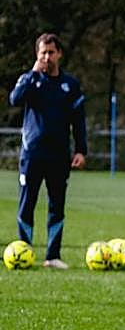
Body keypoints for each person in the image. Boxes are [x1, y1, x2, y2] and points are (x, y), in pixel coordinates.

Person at [8, 33, 87, 269]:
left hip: (59, 156)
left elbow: (79, 121)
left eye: (51, 52)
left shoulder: (70, 86)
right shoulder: (30, 81)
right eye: (43, 52)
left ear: (59, 54)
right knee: (27, 205)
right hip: (32, 155)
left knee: (56, 206)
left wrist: (81, 150)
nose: (46, 57)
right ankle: (24, 252)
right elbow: (14, 100)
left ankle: (52, 256)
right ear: (37, 54)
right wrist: (32, 73)